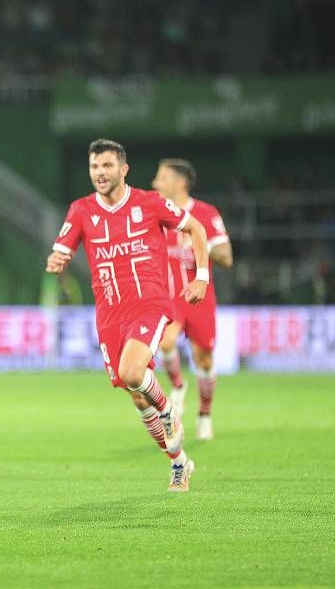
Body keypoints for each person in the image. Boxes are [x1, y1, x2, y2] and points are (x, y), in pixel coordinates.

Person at [46, 139, 210, 492]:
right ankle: (179, 462)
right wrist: (57, 261)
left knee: (133, 372)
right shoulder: (80, 210)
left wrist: (201, 276)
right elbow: (61, 249)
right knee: (137, 395)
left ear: (123, 169)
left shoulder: (150, 203)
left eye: (106, 166)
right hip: (109, 316)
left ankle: (168, 411)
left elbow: (196, 228)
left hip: (149, 304)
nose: (100, 173)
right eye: (94, 167)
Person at [152, 159, 232, 440]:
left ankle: (205, 413)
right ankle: (178, 385)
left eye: (162, 178)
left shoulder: (206, 214)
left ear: (180, 183)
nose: (155, 184)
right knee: (165, 341)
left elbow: (226, 257)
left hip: (200, 298)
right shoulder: (156, 213)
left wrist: (200, 244)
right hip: (169, 297)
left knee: (205, 360)